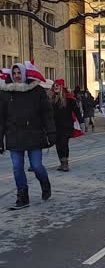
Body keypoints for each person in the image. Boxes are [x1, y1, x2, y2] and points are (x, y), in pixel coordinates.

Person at [0, 63, 55, 210]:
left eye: (19, 72)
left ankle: (45, 183)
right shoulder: (5, 93)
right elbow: (1, 118)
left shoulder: (37, 91)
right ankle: (22, 197)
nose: (17, 75)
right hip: (14, 135)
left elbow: (47, 114)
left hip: (34, 134)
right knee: (17, 168)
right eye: (14, 73)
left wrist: (51, 133)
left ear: (24, 73)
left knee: (36, 166)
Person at [48, 79, 83, 172]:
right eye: (54, 85)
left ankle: (65, 162)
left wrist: (81, 122)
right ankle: (61, 162)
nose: (55, 87)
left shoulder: (69, 98)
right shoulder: (51, 99)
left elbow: (76, 111)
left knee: (63, 143)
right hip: (55, 126)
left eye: (57, 85)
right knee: (58, 145)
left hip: (66, 126)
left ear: (62, 87)